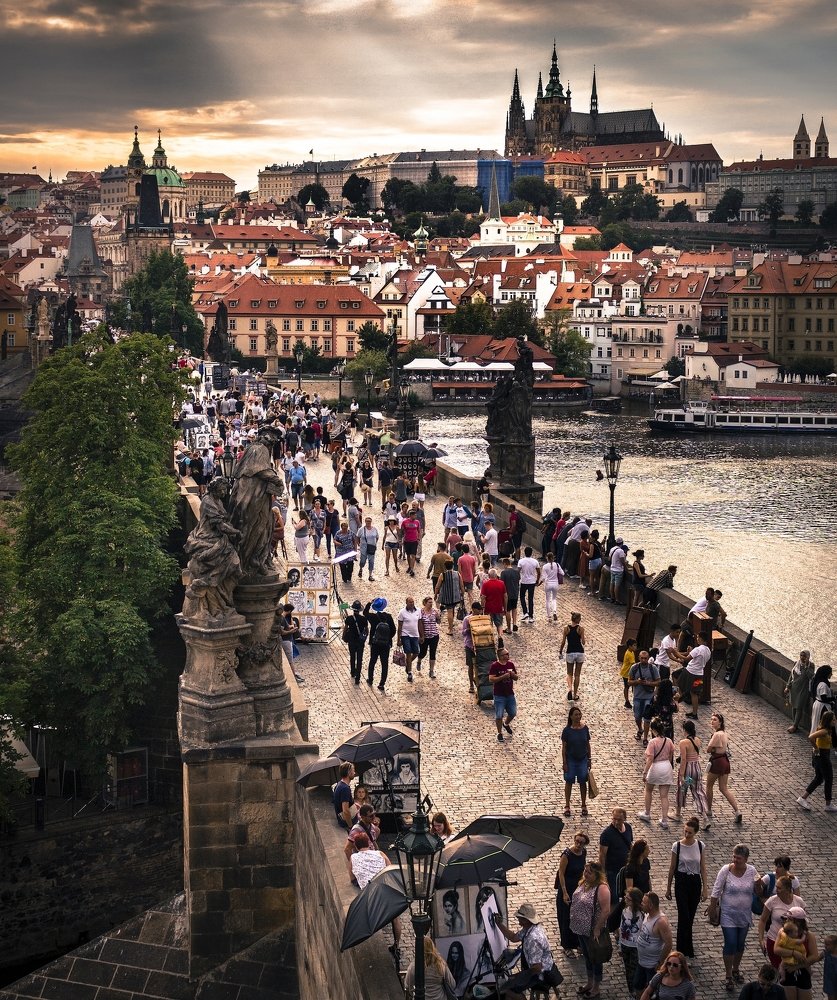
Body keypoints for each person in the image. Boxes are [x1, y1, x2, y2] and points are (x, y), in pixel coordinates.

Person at [711, 843, 759, 991]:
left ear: (746, 859)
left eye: (738, 858)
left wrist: (759, 883)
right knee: (730, 942)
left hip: (744, 915)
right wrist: (712, 908)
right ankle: (728, 975)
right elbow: (716, 890)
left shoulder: (752, 871)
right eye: (734, 857)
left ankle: (736, 968)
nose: (735, 860)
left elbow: (758, 890)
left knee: (740, 943)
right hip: (728, 914)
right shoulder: (726, 870)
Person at [494, 903, 561, 999]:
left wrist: (518, 976)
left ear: (526, 920)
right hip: (540, 968)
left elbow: (537, 968)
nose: (518, 920)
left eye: (519, 918)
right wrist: (499, 924)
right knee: (510, 983)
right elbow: (513, 937)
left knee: (506, 990)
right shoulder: (529, 928)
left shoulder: (533, 939)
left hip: (541, 974)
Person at [665, 816, 707, 958]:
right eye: (685, 831)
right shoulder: (677, 846)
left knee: (690, 916)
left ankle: (685, 948)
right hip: (681, 882)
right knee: (684, 915)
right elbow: (672, 868)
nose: (687, 834)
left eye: (689, 832)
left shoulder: (700, 846)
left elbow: (702, 868)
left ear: (695, 832)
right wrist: (668, 887)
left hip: (694, 882)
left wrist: (705, 888)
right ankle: (684, 949)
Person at [569, 861, 611, 998]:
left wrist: (597, 929)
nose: (586, 874)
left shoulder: (602, 888)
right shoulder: (583, 883)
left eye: (589, 872)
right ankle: (589, 982)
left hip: (592, 931)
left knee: (595, 958)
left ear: (597, 874)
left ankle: (596, 987)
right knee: (587, 957)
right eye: (585, 871)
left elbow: (606, 911)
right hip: (580, 929)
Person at [758, 876, 806, 970]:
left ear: (788, 889)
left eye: (779, 888)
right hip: (775, 940)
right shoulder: (772, 901)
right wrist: (761, 939)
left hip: (794, 942)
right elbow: (762, 920)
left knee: (794, 969)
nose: (777, 890)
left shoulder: (798, 901)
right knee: (778, 969)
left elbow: (803, 922)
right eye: (776, 887)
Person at [773, 908, 821, 1000]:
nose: (786, 920)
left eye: (789, 919)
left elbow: (814, 956)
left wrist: (797, 967)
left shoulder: (809, 935)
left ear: (797, 922)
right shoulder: (783, 932)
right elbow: (776, 949)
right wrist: (794, 953)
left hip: (803, 969)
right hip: (787, 968)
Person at [705, 712, 743, 826]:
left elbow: (708, 749)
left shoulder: (717, 735)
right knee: (723, 788)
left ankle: (709, 810)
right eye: (711, 719)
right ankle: (737, 811)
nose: (712, 721)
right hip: (725, 761)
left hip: (717, 762)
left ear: (720, 722)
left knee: (709, 786)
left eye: (715, 720)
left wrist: (712, 750)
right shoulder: (724, 734)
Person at [638, 718, 676, 828]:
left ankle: (647, 813)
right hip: (666, 766)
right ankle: (664, 820)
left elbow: (650, 759)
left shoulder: (652, 742)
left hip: (656, 767)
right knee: (664, 796)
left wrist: (645, 772)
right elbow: (670, 756)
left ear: (653, 729)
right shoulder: (669, 741)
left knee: (648, 789)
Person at [797, 709, 837, 812]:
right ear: (828, 721)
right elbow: (811, 737)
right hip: (823, 756)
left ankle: (803, 798)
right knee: (828, 779)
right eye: (833, 720)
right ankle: (828, 805)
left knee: (819, 778)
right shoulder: (824, 731)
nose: (835, 721)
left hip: (821, 756)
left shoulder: (827, 730)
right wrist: (816, 748)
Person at [634, 892, 674, 996]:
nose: (641, 904)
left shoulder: (661, 922)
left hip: (652, 966)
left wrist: (660, 962)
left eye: (643, 902)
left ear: (650, 906)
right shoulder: (647, 915)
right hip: (641, 962)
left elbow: (669, 944)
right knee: (637, 986)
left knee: (653, 992)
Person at [555, 831, 589, 952]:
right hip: (567, 888)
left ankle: (577, 943)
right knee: (565, 917)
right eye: (577, 841)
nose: (578, 844)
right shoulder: (567, 854)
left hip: (577, 888)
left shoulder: (583, 852)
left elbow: (583, 869)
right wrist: (564, 892)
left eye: (581, 843)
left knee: (577, 916)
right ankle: (567, 946)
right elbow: (561, 874)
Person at [599, 807, 633, 905]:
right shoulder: (607, 834)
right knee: (614, 897)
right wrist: (603, 874)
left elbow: (630, 844)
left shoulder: (628, 828)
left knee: (627, 895)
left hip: (626, 870)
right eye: (614, 819)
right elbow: (602, 855)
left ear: (624, 819)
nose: (616, 822)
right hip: (613, 871)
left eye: (619, 819)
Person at [561, 705, 591, 817]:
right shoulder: (567, 731)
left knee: (583, 781)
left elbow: (587, 744)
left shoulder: (585, 728)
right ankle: (567, 805)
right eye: (576, 715)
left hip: (582, 759)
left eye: (579, 714)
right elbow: (564, 748)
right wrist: (564, 762)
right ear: (571, 717)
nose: (578, 717)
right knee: (569, 781)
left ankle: (583, 805)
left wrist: (589, 759)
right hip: (571, 759)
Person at [676, 719, 708, 818]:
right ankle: (704, 817)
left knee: (682, 789)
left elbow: (684, 759)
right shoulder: (697, 740)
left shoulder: (683, 742)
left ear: (684, 730)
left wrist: (681, 774)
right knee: (698, 791)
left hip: (688, 772)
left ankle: (678, 813)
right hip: (696, 768)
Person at [365, 597, 396, 691]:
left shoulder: (373, 617)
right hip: (385, 644)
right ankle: (382, 683)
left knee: (372, 661)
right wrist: (387, 638)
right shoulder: (389, 617)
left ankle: (370, 679)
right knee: (384, 663)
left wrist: (369, 603)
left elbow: (365, 613)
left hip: (375, 643)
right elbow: (393, 630)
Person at [677, 637, 711, 721]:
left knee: (679, 683)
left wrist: (675, 652)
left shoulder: (697, 649)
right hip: (699, 674)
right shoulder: (708, 651)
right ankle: (694, 713)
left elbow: (686, 658)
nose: (697, 639)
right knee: (694, 693)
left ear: (701, 639)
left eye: (698, 637)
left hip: (690, 672)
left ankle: (682, 695)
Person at [630, 650, 660, 746]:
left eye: (645, 658)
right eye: (642, 658)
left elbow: (658, 682)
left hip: (648, 696)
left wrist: (649, 683)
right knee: (637, 716)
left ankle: (645, 738)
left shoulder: (653, 668)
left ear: (648, 658)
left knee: (647, 718)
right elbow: (629, 682)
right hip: (637, 696)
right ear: (639, 658)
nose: (643, 660)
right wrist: (637, 682)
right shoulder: (634, 668)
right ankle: (640, 729)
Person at [619, 887, 645, 994]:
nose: (625, 899)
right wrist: (620, 943)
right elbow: (621, 927)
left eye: (628, 898)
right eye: (626, 897)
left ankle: (636, 992)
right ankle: (631, 992)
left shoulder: (642, 915)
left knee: (634, 971)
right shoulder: (624, 911)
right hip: (625, 944)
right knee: (628, 970)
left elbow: (643, 932)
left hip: (635, 947)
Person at [490, 647, 518, 743]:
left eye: (508, 654)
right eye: (506, 654)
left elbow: (516, 678)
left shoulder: (510, 664)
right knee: (499, 715)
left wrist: (512, 675)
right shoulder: (495, 666)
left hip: (510, 694)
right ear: (501, 656)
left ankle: (506, 724)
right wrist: (503, 677)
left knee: (513, 713)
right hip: (499, 695)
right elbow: (491, 679)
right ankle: (499, 733)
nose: (508, 655)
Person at [785, 651, 815, 734]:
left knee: (799, 707)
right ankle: (794, 724)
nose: (802, 657)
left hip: (803, 689)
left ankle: (794, 726)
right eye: (801, 655)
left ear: (808, 657)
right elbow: (792, 676)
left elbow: (811, 676)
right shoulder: (796, 663)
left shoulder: (811, 665)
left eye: (804, 656)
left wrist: (806, 666)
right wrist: (788, 686)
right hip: (794, 688)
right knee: (794, 706)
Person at [559, 611, 586, 702]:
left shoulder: (566, 629)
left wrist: (560, 651)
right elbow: (583, 642)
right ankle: (575, 694)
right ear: (577, 619)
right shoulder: (580, 629)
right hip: (580, 652)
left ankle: (570, 689)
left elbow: (563, 642)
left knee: (569, 673)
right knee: (577, 674)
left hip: (570, 652)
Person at [396, 596, 422, 681]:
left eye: (413, 602)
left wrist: (422, 635)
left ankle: (408, 664)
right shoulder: (402, 612)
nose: (412, 603)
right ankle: (410, 673)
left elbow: (419, 623)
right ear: (406, 603)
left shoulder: (418, 611)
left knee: (416, 652)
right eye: (410, 602)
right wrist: (399, 639)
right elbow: (399, 626)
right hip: (405, 635)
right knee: (408, 652)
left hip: (415, 635)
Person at [343, 600, 369, 685]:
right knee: (359, 658)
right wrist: (364, 637)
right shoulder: (364, 619)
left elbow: (345, 629)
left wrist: (344, 637)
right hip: (360, 641)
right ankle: (358, 677)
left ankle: (352, 672)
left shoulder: (349, 619)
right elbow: (366, 630)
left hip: (351, 640)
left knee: (352, 656)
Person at [435, 559, 464, 635]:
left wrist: (435, 595)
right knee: (452, 609)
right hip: (456, 596)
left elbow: (437, 586)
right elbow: (461, 585)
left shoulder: (443, 575)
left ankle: (450, 629)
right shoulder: (457, 574)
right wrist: (462, 594)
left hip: (447, 596)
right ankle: (451, 623)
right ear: (453, 565)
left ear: (445, 566)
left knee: (450, 612)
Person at [417, 596, 441, 678]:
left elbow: (439, 622)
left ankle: (431, 671)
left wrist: (438, 616)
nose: (431, 604)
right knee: (423, 652)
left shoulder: (434, 611)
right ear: (425, 603)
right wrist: (420, 635)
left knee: (432, 653)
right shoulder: (421, 612)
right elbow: (419, 624)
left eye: (431, 602)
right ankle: (419, 660)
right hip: (425, 636)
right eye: (429, 602)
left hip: (434, 635)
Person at [480, 568, 508, 639]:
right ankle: (500, 637)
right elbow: (505, 596)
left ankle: (490, 639)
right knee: (499, 624)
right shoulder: (501, 583)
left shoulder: (485, 584)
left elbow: (483, 597)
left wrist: (482, 607)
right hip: (498, 607)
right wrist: (505, 608)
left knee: (489, 624)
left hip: (488, 608)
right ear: (496, 575)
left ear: (489, 575)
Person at [517, 546, 541, 622]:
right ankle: (531, 616)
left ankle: (525, 612)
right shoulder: (535, 561)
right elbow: (539, 572)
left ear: (525, 552)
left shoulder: (521, 561)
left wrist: (517, 580)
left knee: (522, 597)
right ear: (531, 553)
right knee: (530, 599)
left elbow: (518, 572)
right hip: (532, 582)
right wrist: (537, 580)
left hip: (524, 581)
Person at [809, 665, 834, 735]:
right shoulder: (823, 685)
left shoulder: (818, 681)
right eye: (830, 673)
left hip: (818, 705)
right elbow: (824, 698)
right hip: (823, 707)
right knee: (823, 724)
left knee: (816, 723)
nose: (831, 674)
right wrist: (833, 698)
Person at [500, 557, 521, 632]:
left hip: (507, 594)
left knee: (507, 610)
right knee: (514, 608)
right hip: (515, 592)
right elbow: (518, 580)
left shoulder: (504, 572)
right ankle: (514, 623)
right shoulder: (516, 572)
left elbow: (501, 584)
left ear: (505, 564)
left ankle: (509, 628)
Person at [541, 550, 564, 621]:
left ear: (547, 558)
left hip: (548, 584)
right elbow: (562, 573)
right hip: (555, 584)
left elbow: (543, 577)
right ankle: (554, 611)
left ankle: (549, 616)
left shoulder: (545, 566)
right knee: (554, 599)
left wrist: (539, 583)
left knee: (547, 600)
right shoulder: (557, 565)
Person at [333, 761, 355, 829]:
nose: (354, 773)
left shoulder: (339, 784)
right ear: (349, 773)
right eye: (353, 770)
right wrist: (351, 826)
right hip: (345, 822)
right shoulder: (345, 789)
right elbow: (345, 810)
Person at [357, 516, 379, 582]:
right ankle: (361, 569)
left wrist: (374, 544)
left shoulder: (374, 529)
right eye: (367, 521)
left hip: (371, 548)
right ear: (365, 522)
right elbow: (357, 537)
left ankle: (370, 575)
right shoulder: (361, 529)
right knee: (363, 561)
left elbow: (377, 537)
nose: (368, 523)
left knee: (371, 561)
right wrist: (359, 544)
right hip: (363, 547)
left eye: (369, 521)